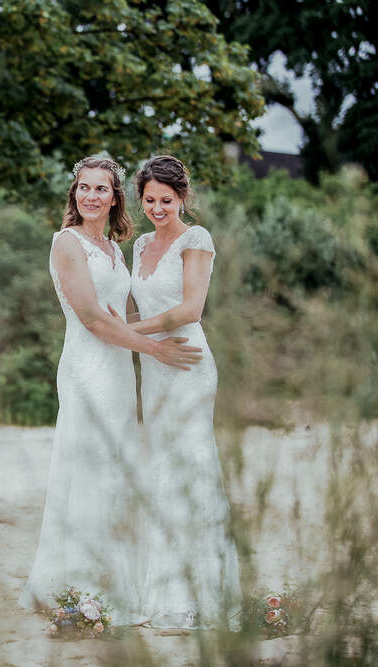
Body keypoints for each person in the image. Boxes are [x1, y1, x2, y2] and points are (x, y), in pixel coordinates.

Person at [18, 156, 202, 622]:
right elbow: (94, 318)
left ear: (115, 197)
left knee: (117, 471)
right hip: (86, 368)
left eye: (102, 189)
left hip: (121, 371)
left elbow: (123, 314)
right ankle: (78, 589)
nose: (91, 196)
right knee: (89, 468)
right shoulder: (67, 243)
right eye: (84, 187)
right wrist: (155, 350)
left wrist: (138, 347)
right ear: (74, 193)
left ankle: (115, 585)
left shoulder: (116, 249)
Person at [125, 154, 241, 629]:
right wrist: (136, 339)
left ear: (182, 197)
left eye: (166, 200)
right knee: (160, 469)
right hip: (155, 367)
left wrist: (128, 330)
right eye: (149, 200)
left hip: (189, 363)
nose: (157, 208)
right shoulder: (138, 246)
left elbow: (191, 308)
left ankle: (203, 594)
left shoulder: (197, 239)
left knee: (191, 465)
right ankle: (165, 590)